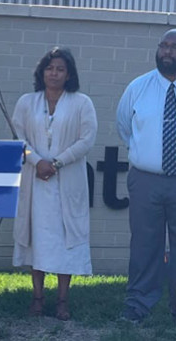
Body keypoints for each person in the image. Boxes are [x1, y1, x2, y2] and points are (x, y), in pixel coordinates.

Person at [12, 47, 97, 321]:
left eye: (60, 69)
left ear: (69, 74)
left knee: (65, 242)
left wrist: (56, 162)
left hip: (66, 182)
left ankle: (62, 301)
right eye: (50, 68)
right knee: (36, 238)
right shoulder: (27, 102)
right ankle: (37, 298)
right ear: (42, 72)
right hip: (35, 182)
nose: (54, 73)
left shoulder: (82, 102)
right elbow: (18, 138)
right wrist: (37, 161)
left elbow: (87, 140)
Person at [117, 29, 176, 324]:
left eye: (173, 47)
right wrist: (148, 156)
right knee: (144, 245)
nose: (167, 51)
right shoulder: (138, 87)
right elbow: (124, 127)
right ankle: (139, 304)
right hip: (146, 180)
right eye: (163, 46)